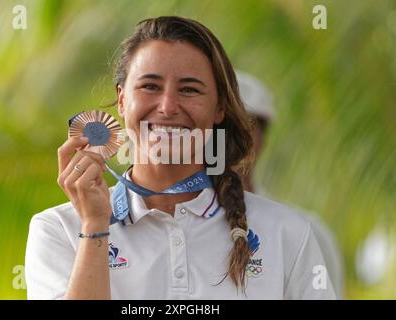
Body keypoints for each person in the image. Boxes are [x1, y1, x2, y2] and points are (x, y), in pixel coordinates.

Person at [25, 16, 336, 300]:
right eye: (150, 86)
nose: (168, 106)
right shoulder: (58, 229)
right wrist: (94, 225)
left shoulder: (286, 232)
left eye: (189, 89)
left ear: (219, 109)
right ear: (121, 100)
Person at [234, 70, 344, 298]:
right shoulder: (163, 224)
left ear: (261, 139)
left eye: (245, 125)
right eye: (221, 124)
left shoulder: (308, 233)